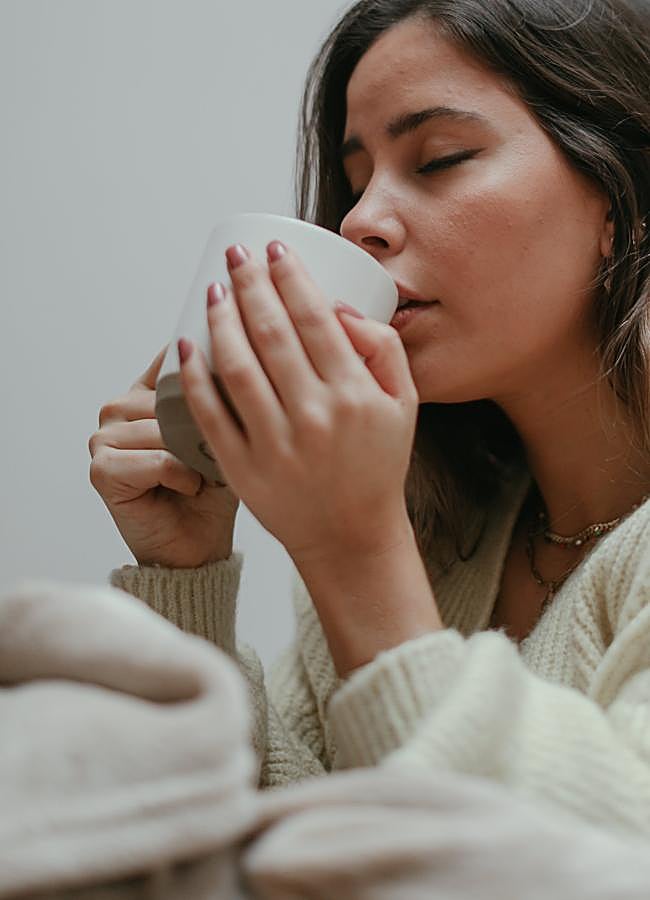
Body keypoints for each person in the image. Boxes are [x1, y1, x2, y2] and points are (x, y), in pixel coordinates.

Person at [88, 0, 650, 840]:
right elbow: (262, 849)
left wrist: (357, 556)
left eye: (441, 158)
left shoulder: (375, 542)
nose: (358, 223)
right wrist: (186, 574)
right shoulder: (428, 529)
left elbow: (592, 862)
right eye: (355, 184)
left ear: (618, 194)